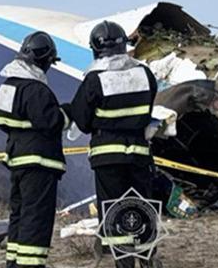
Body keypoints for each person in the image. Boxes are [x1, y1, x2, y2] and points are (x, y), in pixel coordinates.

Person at [64, 21, 158, 268]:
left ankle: (124, 263)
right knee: (141, 206)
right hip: (139, 154)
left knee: (115, 211)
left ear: (95, 48)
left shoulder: (94, 80)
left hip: (108, 157)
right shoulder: (145, 75)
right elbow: (148, 110)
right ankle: (148, 259)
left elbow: (82, 121)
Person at [0, 32, 68, 268]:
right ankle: (31, 265)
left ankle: (14, 263)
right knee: (37, 219)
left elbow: (2, 120)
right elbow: (52, 122)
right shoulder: (36, 90)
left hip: (17, 160)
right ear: (44, 61)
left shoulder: (8, 87)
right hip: (39, 164)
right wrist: (68, 112)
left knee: (20, 215)